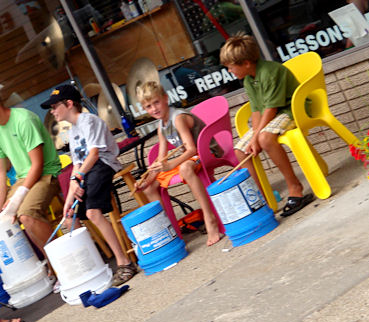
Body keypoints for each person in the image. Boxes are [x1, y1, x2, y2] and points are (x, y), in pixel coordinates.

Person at [41, 84, 137, 286]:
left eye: (54, 106)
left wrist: (77, 179)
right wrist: (68, 200)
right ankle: (92, 269)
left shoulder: (88, 121)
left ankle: (124, 262)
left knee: (94, 213)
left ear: (69, 104)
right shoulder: (73, 132)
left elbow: (93, 154)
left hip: (103, 164)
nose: (52, 111)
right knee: (70, 218)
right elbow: (77, 164)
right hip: (88, 170)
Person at [219, 32, 313, 217]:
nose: (230, 72)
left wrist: (257, 137)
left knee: (265, 138)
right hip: (274, 114)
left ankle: (295, 187)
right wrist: (252, 138)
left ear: (246, 63)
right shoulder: (248, 79)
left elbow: (271, 109)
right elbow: (256, 111)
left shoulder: (270, 72)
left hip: (291, 109)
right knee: (241, 150)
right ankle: (263, 199)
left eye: (231, 67)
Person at [0, 86, 62, 256]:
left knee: (26, 214)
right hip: (23, 179)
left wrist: (18, 197)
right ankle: (50, 268)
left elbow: (37, 165)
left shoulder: (23, 119)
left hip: (47, 174)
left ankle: (63, 260)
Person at [133, 81, 224, 246]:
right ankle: (170, 231)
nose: (154, 108)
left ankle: (209, 218)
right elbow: (161, 159)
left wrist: (170, 164)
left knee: (185, 168)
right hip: (188, 157)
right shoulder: (161, 126)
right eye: (148, 106)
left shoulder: (178, 118)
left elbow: (191, 149)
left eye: (156, 102)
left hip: (205, 151)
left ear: (166, 98)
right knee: (150, 187)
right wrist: (146, 180)